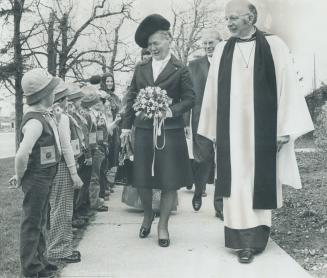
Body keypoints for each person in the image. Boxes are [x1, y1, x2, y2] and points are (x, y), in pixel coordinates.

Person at [198, 0, 314, 263]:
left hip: (263, 131)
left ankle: (257, 238)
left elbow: (288, 88)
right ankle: (241, 242)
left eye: (234, 17)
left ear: (251, 17)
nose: (228, 22)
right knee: (236, 183)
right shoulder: (221, 50)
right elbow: (212, 93)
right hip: (231, 132)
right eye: (226, 18)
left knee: (258, 182)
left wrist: (285, 129)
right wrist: (212, 129)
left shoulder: (274, 45)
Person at [121, 14, 195, 247]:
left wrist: (170, 111)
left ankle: (163, 226)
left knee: (168, 181)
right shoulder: (141, 68)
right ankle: (147, 215)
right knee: (142, 180)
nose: (152, 48)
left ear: (168, 39)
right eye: (149, 45)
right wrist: (125, 127)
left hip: (170, 132)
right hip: (143, 131)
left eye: (156, 43)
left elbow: (190, 98)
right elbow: (131, 96)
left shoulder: (180, 68)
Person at [11, 68, 62, 278]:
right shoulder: (34, 121)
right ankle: (31, 269)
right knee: (32, 222)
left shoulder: (44, 116)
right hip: (37, 178)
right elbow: (22, 154)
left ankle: (40, 259)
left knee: (41, 219)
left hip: (45, 176)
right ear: (43, 95)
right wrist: (20, 175)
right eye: (52, 90)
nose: (54, 94)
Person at [186, 29, 223, 216]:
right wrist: (186, 121)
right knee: (203, 159)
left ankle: (220, 205)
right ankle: (198, 191)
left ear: (220, 43)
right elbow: (188, 96)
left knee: (223, 161)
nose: (208, 47)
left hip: (225, 119)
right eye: (205, 44)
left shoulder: (228, 63)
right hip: (200, 119)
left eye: (212, 43)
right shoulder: (193, 66)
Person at [47, 79, 83, 263]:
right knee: (63, 208)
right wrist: (74, 172)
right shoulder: (62, 118)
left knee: (56, 207)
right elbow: (66, 146)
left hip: (51, 166)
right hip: (62, 165)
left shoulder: (50, 114)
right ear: (62, 99)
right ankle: (59, 249)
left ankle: (59, 246)